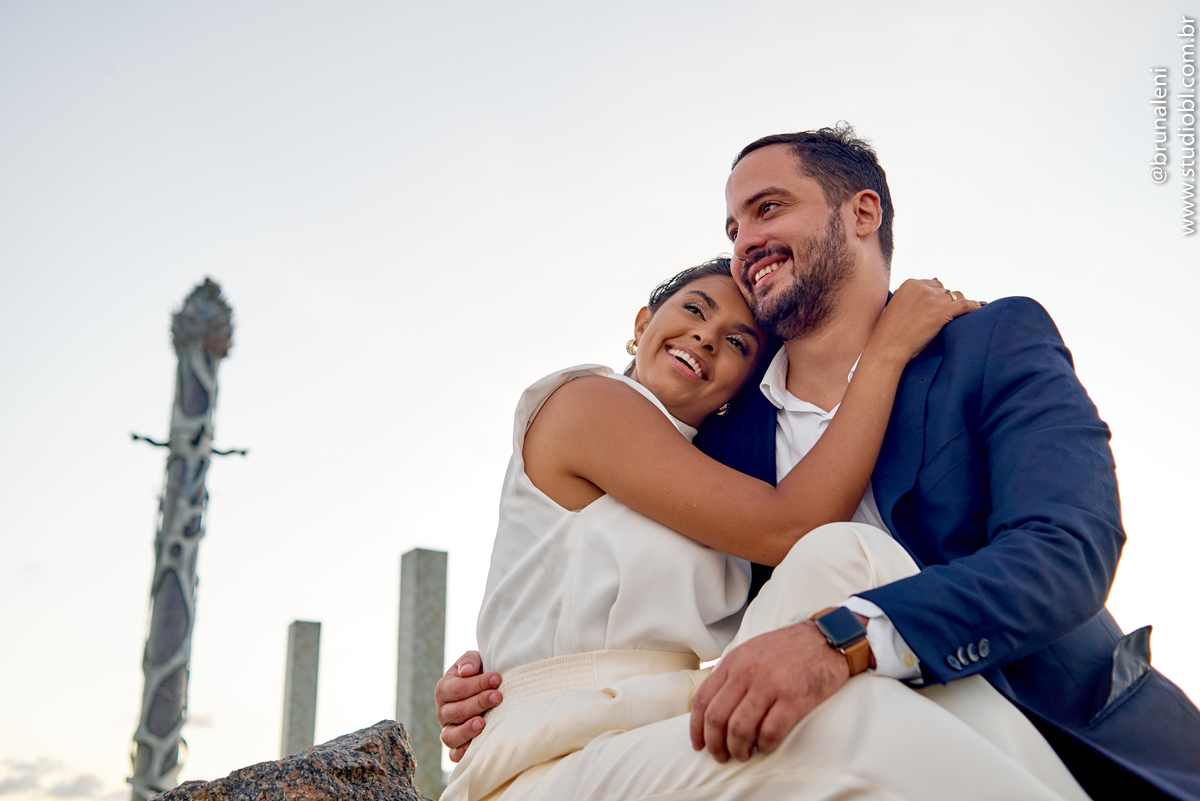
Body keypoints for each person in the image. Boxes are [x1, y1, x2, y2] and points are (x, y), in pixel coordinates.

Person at [440, 125, 1200, 800]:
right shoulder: (724, 440)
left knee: (849, 558)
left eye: (768, 208)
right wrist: (496, 683)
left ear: (862, 212)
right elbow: (586, 569)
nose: (745, 241)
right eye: (734, 225)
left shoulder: (990, 341)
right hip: (767, 742)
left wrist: (849, 638)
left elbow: (1067, 550)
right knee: (845, 564)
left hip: (1077, 734)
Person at [440, 260, 1089, 801]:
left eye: (737, 342)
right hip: (545, 762)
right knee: (848, 719)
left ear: (738, 388)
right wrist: (887, 352)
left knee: (850, 553)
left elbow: (808, 536)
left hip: (654, 722)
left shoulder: (709, 479)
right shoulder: (589, 400)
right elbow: (790, 522)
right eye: (693, 311)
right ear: (642, 325)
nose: (706, 338)